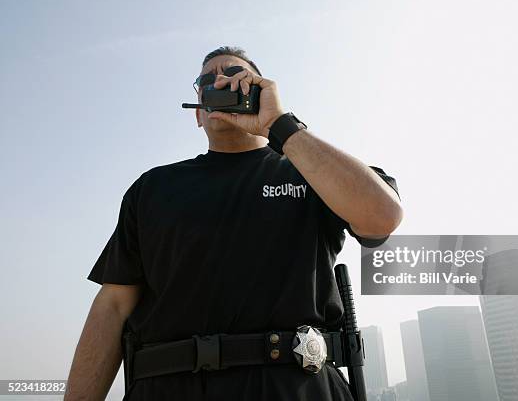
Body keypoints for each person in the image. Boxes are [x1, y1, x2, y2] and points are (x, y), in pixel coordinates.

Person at [64, 45, 402, 401]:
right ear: (198, 113)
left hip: (296, 386)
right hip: (168, 389)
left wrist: (280, 125)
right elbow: (113, 305)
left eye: (237, 76)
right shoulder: (151, 189)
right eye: (207, 81)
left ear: (260, 90)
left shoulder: (314, 171)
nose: (221, 82)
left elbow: (382, 217)